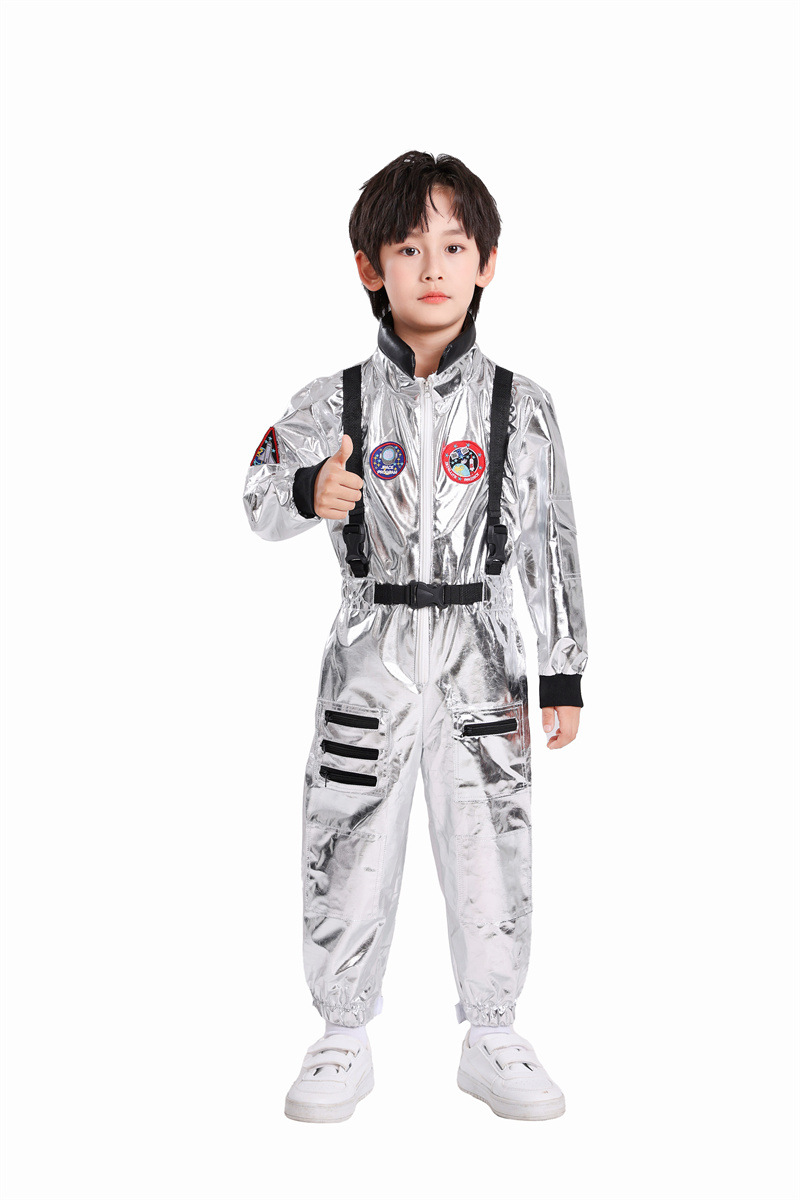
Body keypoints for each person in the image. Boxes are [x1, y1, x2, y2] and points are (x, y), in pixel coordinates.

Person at [242, 151, 588, 1123]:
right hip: (372, 648)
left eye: (453, 245)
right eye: (407, 247)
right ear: (370, 267)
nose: (432, 266)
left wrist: (561, 670)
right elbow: (257, 495)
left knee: (491, 834)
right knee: (347, 829)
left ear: (486, 263)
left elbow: (550, 543)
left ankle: (493, 1031)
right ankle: (342, 1030)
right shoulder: (334, 402)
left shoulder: (520, 407)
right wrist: (308, 489)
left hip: (482, 651)